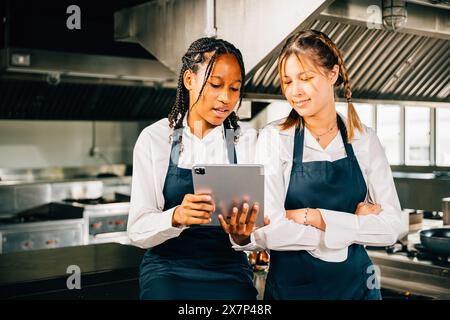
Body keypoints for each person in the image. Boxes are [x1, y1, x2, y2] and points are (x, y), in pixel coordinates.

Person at [224, 30, 403, 300]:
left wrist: (312, 216)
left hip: (359, 290)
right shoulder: (275, 138)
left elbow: (392, 228)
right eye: (287, 81)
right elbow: (270, 231)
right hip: (294, 290)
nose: (295, 91)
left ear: (332, 74)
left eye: (306, 78)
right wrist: (352, 226)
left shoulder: (364, 139)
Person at [128, 37, 259, 300]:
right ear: (189, 80)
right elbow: (137, 230)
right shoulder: (154, 139)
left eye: (235, 89)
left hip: (229, 269)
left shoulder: (247, 140)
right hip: (167, 270)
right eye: (215, 85)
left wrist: (244, 237)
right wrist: (175, 216)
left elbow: (258, 231)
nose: (226, 98)